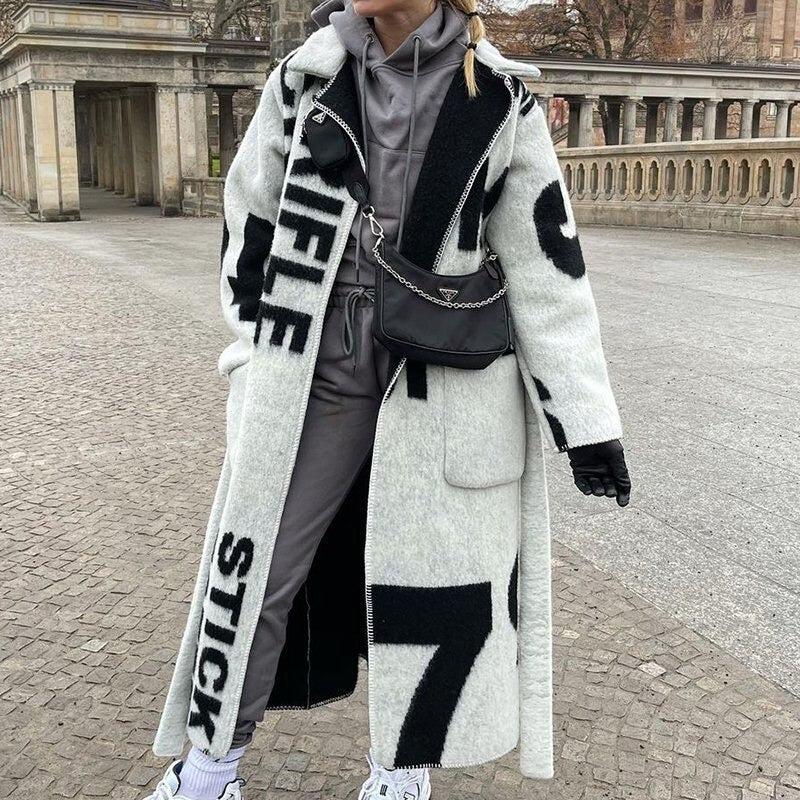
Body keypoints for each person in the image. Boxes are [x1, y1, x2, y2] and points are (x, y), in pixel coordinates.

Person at [142, 0, 632, 798]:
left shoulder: (502, 100)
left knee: (426, 578)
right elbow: (248, 214)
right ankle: (208, 770)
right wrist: (259, 343)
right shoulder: (305, 79)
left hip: (446, 378)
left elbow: (548, 270)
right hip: (317, 367)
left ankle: (401, 771)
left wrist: (587, 424)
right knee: (261, 566)